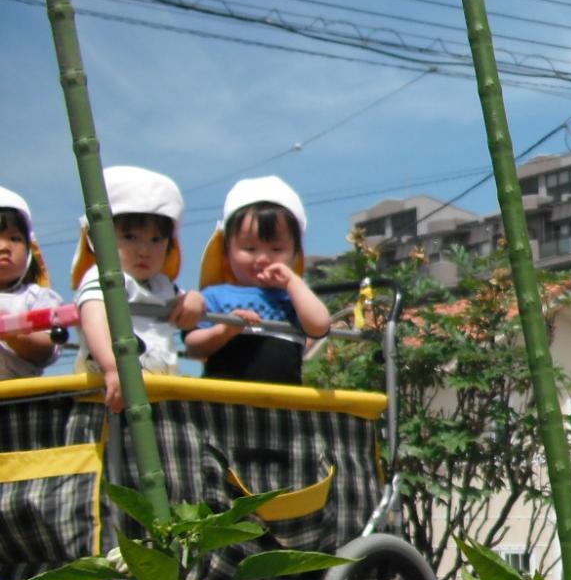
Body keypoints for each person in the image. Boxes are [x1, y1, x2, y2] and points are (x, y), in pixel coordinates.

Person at [72, 166, 204, 413]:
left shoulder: (163, 286)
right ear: (95, 237)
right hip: (108, 396)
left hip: (160, 396)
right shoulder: (102, 277)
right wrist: (113, 367)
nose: (144, 250)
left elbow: (187, 312)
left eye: (157, 240)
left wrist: (195, 300)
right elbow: (94, 320)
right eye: (130, 237)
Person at [186, 177, 332, 384]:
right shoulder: (214, 295)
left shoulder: (294, 299)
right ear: (226, 251)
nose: (263, 258)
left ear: (295, 254)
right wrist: (224, 330)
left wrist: (293, 283)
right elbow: (193, 347)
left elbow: (319, 326)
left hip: (283, 402)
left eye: (276, 249)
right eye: (250, 248)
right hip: (225, 399)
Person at [0, 187, 63, 380]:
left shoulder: (36, 297)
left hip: (20, 399)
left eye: (15, 238)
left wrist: (13, 334)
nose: (4, 247)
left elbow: (46, 349)